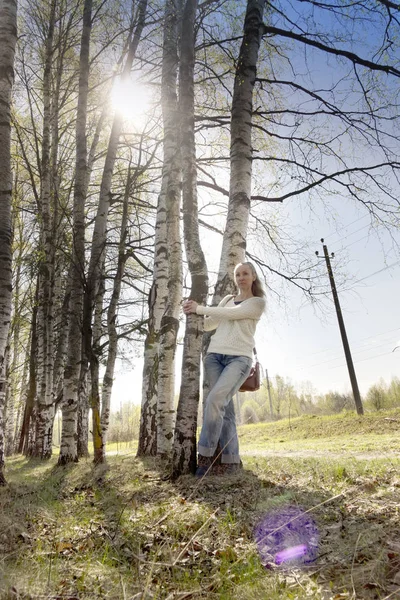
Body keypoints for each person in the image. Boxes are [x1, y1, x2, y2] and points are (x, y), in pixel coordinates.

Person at [183, 262, 266, 476]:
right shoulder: (228, 300)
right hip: (214, 358)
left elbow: (232, 315)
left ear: (253, 276)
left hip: (239, 359)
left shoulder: (257, 303)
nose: (241, 278)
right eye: (237, 274)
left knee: (215, 400)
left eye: (245, 273)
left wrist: (199, 308)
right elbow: (212, 324)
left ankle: (205, 457)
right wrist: (190, 314)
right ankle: (231, 461)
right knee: (226, 410)